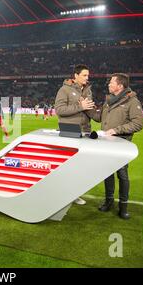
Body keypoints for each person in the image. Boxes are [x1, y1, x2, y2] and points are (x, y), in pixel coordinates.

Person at [96, 73, 143, 219]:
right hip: (106, 144)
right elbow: (99, 118)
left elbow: (138, 124)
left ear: (120, 86)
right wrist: (85, 107)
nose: (109, 84)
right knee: (107, 173)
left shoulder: (132, 101)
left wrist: (116, 130)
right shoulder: (108, 101)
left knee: (122, 175)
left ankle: (123, 206)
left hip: (121, 144)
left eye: (111, 82)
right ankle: (108, 201)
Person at [54, 64, 97, 205]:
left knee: (81, 167)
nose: (87, 77)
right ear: (76, 76)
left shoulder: (88, 91)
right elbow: (59, 110)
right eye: (84, 75)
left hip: (85, 131)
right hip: (70, 132)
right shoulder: (64, 89)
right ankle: (63, 194)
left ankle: (74, 194)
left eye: (88, 75)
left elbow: (89, 109)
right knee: (68, 167)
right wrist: (81, 106)